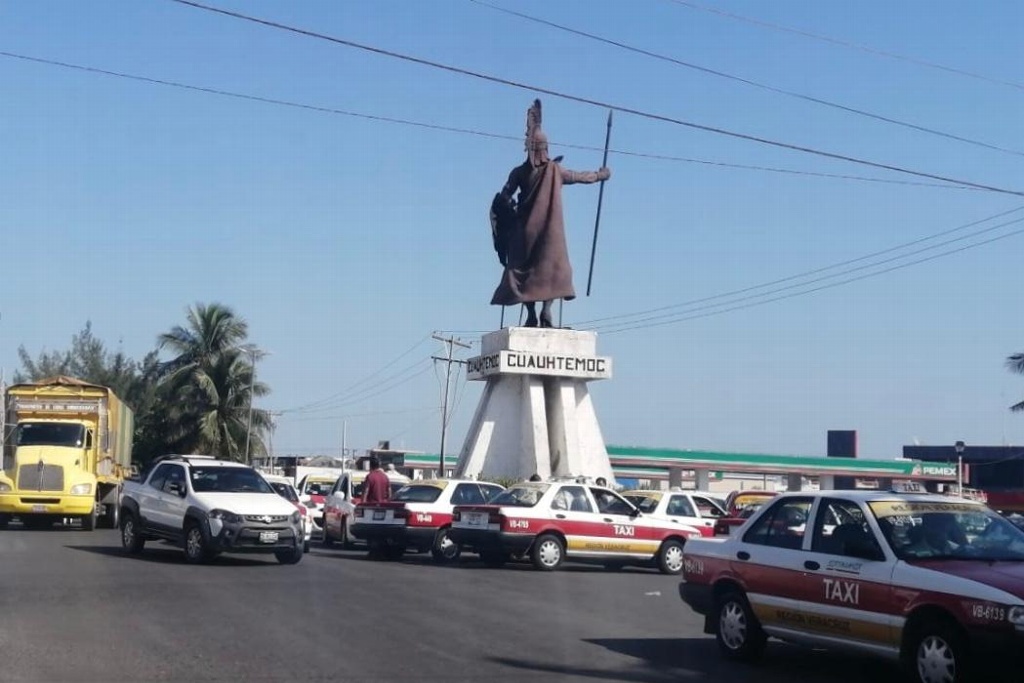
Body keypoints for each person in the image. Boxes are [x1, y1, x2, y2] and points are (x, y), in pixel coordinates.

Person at [490, 99, 611, 328]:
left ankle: (535, 314)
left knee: (527, 271)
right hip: (546, 233)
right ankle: (544, 312)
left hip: (526, 232)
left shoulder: (520, 172)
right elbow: (578, 176)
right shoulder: (553, 170)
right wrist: (600, 175)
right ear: (545, 149)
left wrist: (507, 205)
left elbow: (504, 195)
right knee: (553, 269)